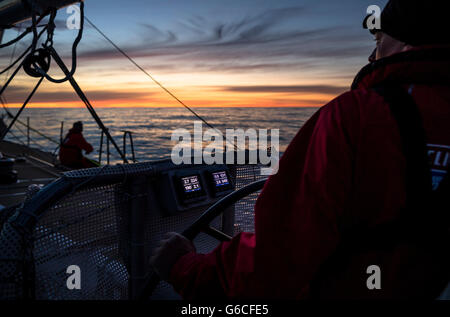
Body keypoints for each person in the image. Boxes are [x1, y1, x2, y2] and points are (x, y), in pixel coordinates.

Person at [150, 0, 450, 299]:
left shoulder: (355, 116)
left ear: (408, 39)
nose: (372, 55)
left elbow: (279, 261)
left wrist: (185, 267)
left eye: (379, 38)